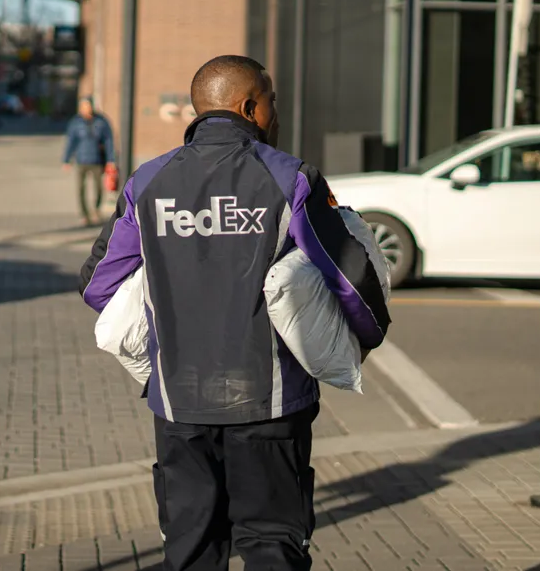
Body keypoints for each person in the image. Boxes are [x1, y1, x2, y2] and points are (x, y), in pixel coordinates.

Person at [79, 55, 391, 571]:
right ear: (249, 106)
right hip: (269, 405)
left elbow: (98, 284)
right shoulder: (290, 177)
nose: (276, 114)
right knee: (272, 547)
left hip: (178, 406)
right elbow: (350, 280)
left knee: (192, 551)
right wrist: (363, 340)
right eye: (272, 102)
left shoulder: (148, 182)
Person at [62, 97, 116, 226]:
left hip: (97, 160)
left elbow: (108, 141)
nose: (86, 109)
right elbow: (71, 142)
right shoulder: (75, 123)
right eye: (83, 106)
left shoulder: (101, 121)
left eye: (88, 106)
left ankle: (96, 209)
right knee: (81, 188)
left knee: (98, 187)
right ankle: (84, 214)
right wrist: (66, 160)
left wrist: (111, 159)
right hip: (81, 160)